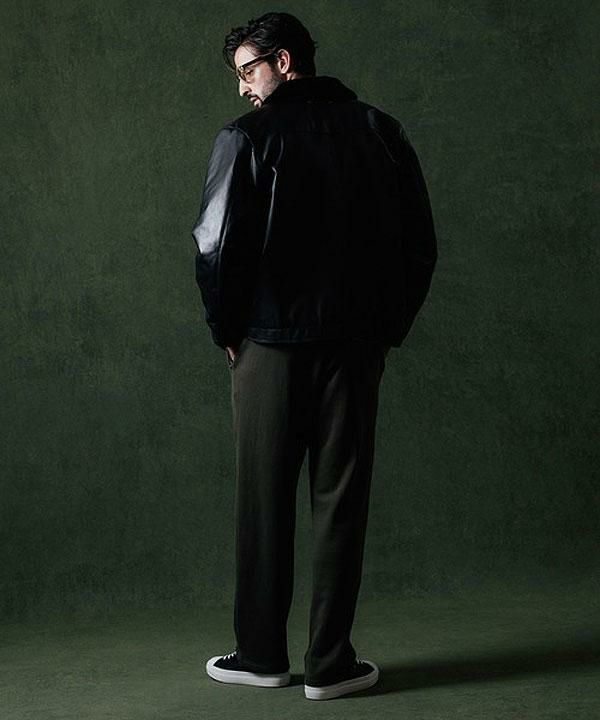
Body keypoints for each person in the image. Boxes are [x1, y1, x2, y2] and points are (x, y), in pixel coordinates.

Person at [191, 11, 437, 701]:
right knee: (341, 502)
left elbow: (214, 244)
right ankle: (330, 664)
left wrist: (226, 329)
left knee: (262, 501)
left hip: (269, 346)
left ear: (284, 62)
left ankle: (261, 656)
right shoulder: (380, 131)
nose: (243, 88)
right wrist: (384, 331)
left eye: (248, 70)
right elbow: (419, 244)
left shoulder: (246, 137)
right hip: (354, 348)